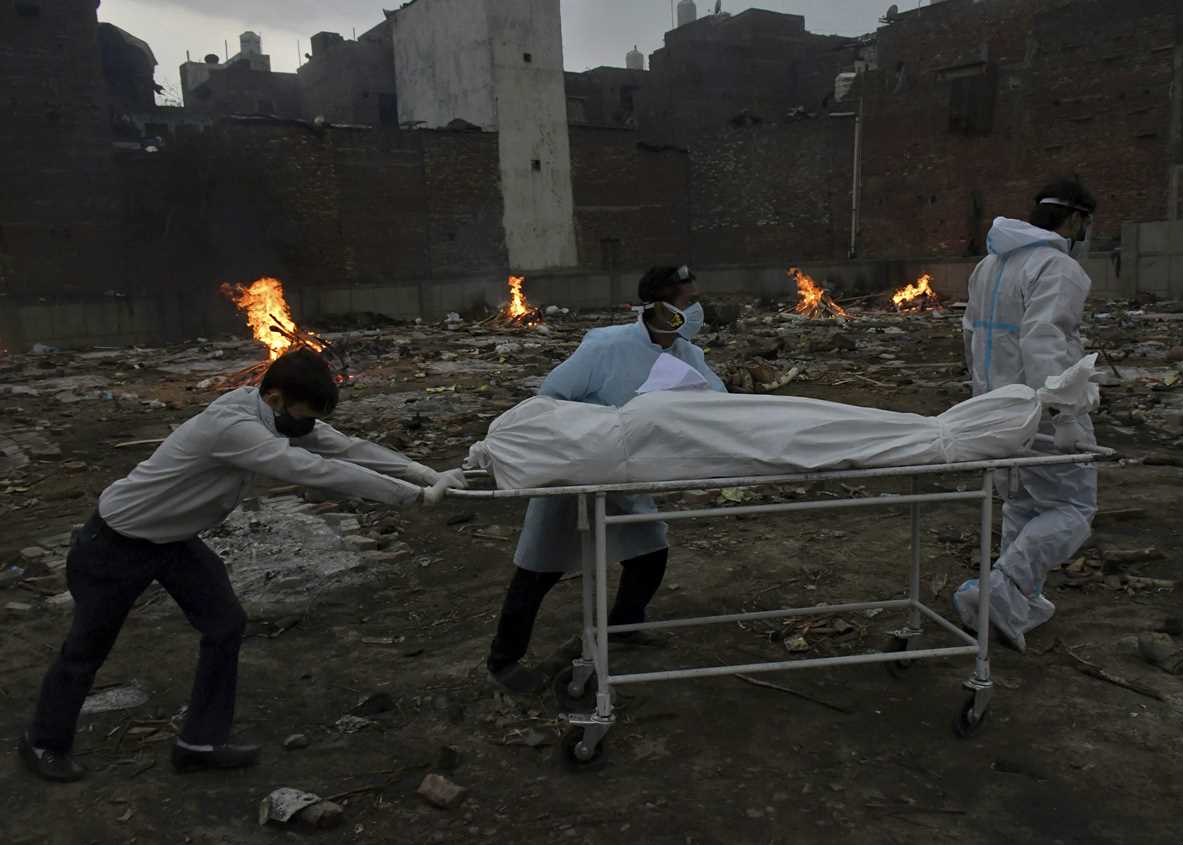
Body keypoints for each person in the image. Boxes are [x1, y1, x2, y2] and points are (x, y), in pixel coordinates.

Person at [19, 348, 465, 782]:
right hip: (115, 545)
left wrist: (421, 472)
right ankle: (44, 743)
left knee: (224, 625)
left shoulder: (275, 414)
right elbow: (314, 469)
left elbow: (344, 448)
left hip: (173, 542)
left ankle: (200, 743)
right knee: (87, 649)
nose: (307, 426)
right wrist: (410, 496)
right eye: (303, 415)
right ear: (275, 398)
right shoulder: (233, 427)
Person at [487, 265, 723, 694]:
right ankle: (504, 661)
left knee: (649, 552)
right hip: (578, 472)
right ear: (661, 307)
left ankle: (624, 627)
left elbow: (720, 406)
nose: (696, 310)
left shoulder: (686, 355)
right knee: (539, 568)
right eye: (689, 302)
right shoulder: (606, 347)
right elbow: (550, 396)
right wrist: (593, 433)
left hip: (628, 474)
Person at [954, 178, 1099, 653]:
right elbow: (1045, 343)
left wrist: (982, 403)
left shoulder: (990, 265)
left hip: (997, 410)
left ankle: (1015, 603)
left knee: (1022, 505)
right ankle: (1001, 589)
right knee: (1073, 509)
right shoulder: (1057, 267)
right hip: (1040, 411)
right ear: (1074, 219)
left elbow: (972, 337)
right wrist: (1066, 415)